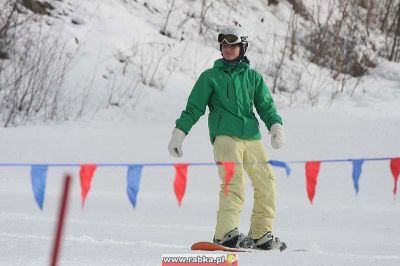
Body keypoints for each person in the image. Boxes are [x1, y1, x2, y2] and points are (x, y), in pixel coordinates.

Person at [168, 25, 286, 250]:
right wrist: (179, 133)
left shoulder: (253, 77)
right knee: (234, 182)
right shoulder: (210, 77)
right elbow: (194, 108)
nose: (228, 49)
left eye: (233, 45)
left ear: (243, 47)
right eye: (224, 45)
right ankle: (225, 234)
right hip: (225, 137)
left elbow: (266, 106)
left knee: (267, 182)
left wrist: (276, 126)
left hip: (251, 137)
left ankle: (261, 234)